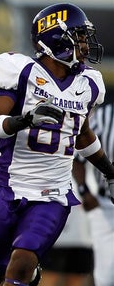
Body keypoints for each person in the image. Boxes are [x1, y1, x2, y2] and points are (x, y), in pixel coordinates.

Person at [0, 2, 114, 286]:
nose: (85, 45)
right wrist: (25, 120)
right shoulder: (20, 71)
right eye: (79, 36)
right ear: (56, 38)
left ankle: (28, 270)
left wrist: (109, 170)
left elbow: (81, 134)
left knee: (22, 262)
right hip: (7, 187)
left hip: (53, 194)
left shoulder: (88, 83)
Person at [74, 100, 114, 286]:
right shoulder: (105, 116)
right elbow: (77, 156)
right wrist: (84, 190)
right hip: (108, 207)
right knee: (106, 278)